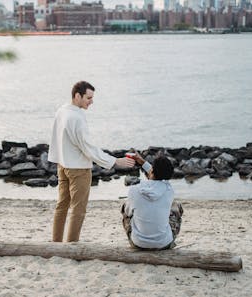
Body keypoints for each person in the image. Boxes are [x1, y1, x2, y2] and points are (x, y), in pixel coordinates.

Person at [48, 81, 135, 242]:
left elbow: (56, 139)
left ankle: (56, 243)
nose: (91, 101)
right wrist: (115, 161)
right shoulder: (76, 118)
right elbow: (88, 149)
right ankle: (71, 246)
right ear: (77, 96)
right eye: (88, 97)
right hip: (78, 169)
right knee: (78, 210)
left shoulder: (62, 110)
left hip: (62, 165)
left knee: (61, 206)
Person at [121, 153, 184, 250]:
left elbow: (129, 213)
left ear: (152, 170)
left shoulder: (134, 190)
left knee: (126, 208)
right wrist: (142, 162)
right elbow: (159, 174)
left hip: (138, 243)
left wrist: (141, 161)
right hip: (164, 243)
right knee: (176, 207)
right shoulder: (169, 190)